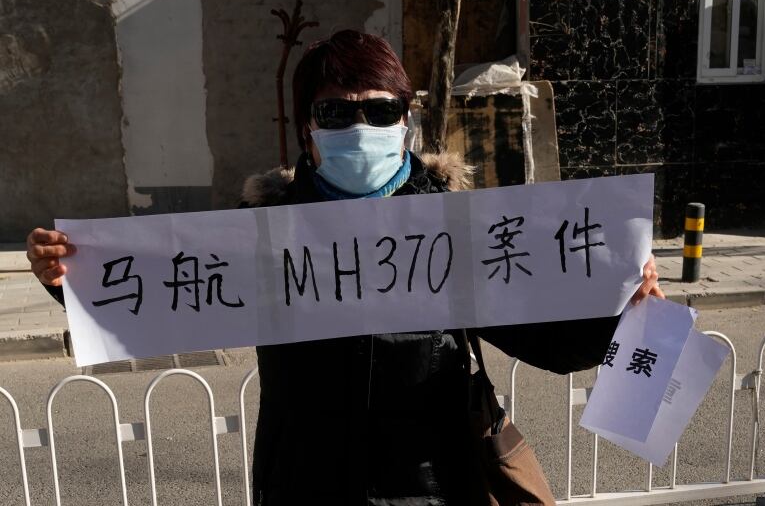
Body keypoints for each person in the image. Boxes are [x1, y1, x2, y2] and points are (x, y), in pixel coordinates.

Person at [27, 30, 664, 506]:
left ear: (407, 122)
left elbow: (549, 343)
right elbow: (170, 296)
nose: (361, 126)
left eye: (381, 109)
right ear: (307, 130)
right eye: (336, 113)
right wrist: (71, 278)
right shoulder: (258, 234)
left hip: (435, 485)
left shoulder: (458, 228)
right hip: (305, 487)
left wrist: (619, 302)